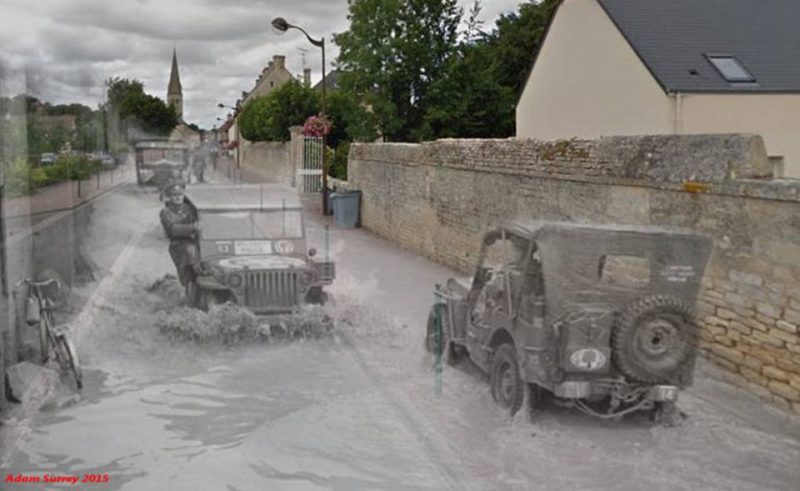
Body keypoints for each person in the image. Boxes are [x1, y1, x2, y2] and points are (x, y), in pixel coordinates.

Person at [159, 181, 199, 286]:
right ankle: (188, 289)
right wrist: (193, 227)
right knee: (188, 265)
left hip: (194, 241)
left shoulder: (190, 209)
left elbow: (202, 220)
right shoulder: (166, 212)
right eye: (175, 195)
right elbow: (173, 230)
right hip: (178, 244)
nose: (178, 198)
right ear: (170, 196)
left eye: (180, 195)